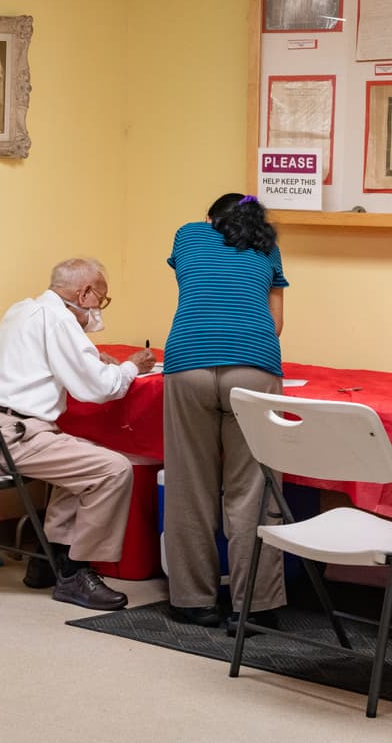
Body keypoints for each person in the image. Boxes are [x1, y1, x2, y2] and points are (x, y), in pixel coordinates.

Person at [0, 258, 156, 610]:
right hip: (20, 437)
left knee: (84, 456)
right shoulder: (60, 319)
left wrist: (94, 358)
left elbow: (43, 363)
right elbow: (98, 388)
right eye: (102, 299)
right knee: (113, 469)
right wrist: (132, 367)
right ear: (85, 293)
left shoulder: (23, 310)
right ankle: (77, 571)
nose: (99, 308)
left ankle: (49, 559)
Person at [162, 193, 287, 633]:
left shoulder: (190, 234)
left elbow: (196, 286)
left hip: (188, 363)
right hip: (253, 367)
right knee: (252, 489)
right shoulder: (266, 245)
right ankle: (253, 607)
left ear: (211, 217)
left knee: (188, 484)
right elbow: (274, 323)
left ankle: (192, 601)